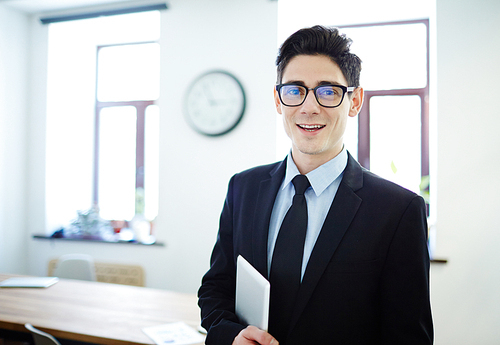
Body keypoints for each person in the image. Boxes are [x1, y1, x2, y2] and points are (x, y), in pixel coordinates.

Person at [198, 25, 433, 345]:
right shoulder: (244, 188)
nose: (309, 107)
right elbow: (216, 289)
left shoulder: (397, 211)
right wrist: (232, 336)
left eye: (328, 91)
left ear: (354, 101)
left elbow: (407, 336)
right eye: (295, 90)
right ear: (279, 101)